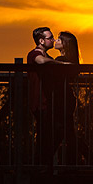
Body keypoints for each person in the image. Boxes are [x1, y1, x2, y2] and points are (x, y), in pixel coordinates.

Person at [27, 27, 58, 165]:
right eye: (50, 38)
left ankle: (44, 165)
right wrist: (61, 64)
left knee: (49, 135)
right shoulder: (34, 54)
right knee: (43, 135)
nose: (53, 40)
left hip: (48, 102)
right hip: (40, 102)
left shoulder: (49, 57)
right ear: (41, 40)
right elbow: (40, 61)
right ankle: (40, 165)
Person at [53, 31, 81, 162]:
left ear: (65, 45)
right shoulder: (70, 61)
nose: (56, 41)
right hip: (67, 98)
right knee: (67, 132)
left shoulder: (60, 61)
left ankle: (43, 161)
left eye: (59, 39)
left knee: (63, 132)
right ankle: (77, 161)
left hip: (62, 99)